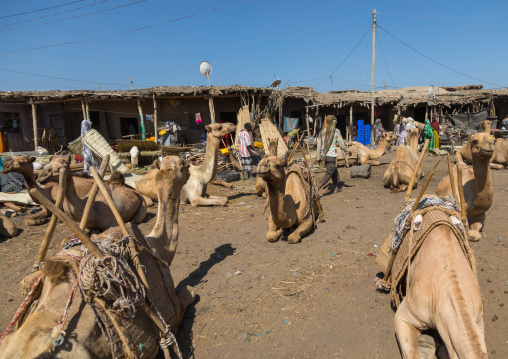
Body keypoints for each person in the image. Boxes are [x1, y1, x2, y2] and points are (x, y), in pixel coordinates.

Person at [316, 115, 351, 193]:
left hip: (325, 156)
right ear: (333, 122)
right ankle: (317, 188)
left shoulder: (321, 132)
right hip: (331, 156)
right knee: (329, 173)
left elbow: (318, 146)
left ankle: (335, 188)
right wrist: (348, 151)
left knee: (334, 171)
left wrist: (318, 158)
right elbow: (342, 145)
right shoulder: (336, 131)